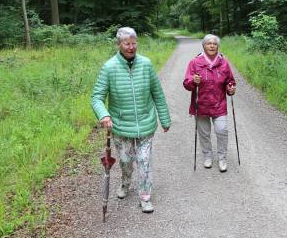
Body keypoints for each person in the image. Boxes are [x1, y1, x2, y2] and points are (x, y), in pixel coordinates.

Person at [91, 27, 171, 213]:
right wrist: (104, 114)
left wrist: (164, 119)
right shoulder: (109, 67)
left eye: (134, 43)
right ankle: (126, 181)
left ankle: (145, 197)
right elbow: (96, 97)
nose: (131, 47)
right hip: (121, 125)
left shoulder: (146, 64)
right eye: (127, 43)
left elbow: (157, 93)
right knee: (126, 160)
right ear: (119, 44)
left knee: (144, 160)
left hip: (145, 123)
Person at [183, 34, 236, 172]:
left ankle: (222, 158)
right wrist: (193, 81)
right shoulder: (195, 63)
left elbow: (230, 81)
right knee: (204, 134)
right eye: (209, 43)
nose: (212, 46)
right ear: (204, 46)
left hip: (219, 105)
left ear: (218, 46)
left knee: (222, 130)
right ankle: (207, 156)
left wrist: (230, 88)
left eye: (214, 44)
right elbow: (187, 84)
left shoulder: (224, 63)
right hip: (201, 105)